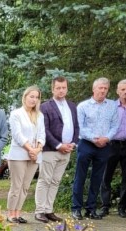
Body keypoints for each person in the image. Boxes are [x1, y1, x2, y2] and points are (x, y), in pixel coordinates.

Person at [71, 77, 118, 220]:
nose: (103, 91)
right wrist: (94, 139)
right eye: (100, 88)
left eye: (105, 88)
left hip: (104, 145)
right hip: (86, 144)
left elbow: (115, 125)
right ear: (93, 89)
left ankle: (91, 209)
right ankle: (76, 208)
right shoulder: (83, 106)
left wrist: (107, 138)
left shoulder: (112, 106)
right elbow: (80, 126)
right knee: (81, 176)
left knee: (97, 178)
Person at [36, 76, 79, 223]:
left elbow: (76, 127)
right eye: (58, 88)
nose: (61, 91)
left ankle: (49, 210)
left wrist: (73, 143)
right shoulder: (45, 107)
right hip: (50, 150)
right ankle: (39, 211)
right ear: (52, 89)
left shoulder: (72, 106)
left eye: (64, 88)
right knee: (45, 180)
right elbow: (44, 130)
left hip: (67, 151)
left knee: (55, 181)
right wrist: (59, 145)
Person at [98, 79, 126, 217]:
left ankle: (122, 208)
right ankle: (105, 206)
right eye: (122, 89)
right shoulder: (109, 106)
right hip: (112, 144)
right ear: (117, 91)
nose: (125, 92)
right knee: (106, 176)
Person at [5, 86, 45, 224]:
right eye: (31, 96)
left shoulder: (40, 116)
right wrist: (30, 149)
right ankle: (11, 214)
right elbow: (17, 135)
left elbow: (42, 135)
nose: (34, 99)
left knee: (25, 186)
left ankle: (18, 212)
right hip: (19, 155)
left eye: (36, 97)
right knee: (16, 186)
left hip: (34, 156)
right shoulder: (16, 114)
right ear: (25, 97)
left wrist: (37, 149)